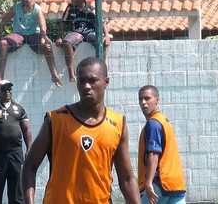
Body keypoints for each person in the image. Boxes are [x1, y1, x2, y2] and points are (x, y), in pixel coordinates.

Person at [21, 57, 141, 204]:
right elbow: (29, 167)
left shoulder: (117, 124)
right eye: (82, 80)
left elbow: (127, 179)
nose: (86, 86)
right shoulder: (55, 120)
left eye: (92, 80)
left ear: (106, 82)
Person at [0, 0, 62, 88]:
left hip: (34, 34)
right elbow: (3, 22)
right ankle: (0, 75)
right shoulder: (16, 7)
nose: (24, 0)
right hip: (18, 34)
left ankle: (54, 74)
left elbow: (43, 26)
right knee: (3, 43)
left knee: (47, 44)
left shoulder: (37, 9)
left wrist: (42, 40)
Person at [0, 79, 32, 204]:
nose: (7, 91)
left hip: (16, 154)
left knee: (17, 191)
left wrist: (29, 148)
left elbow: (26, 129)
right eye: (4, 89)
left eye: (9, 89)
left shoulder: (19, 109)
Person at [138, 85, 186, 204]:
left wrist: (148, 183)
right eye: (140, 99)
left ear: (157, 100)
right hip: (176, 185)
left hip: (159, 184)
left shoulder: (153, 123)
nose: (143, 102)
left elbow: (154, 154)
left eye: (147, 98)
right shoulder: (164, 120)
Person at [55, 0, 111, 82]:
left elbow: (101, 22)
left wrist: (106, 35)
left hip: (90, 32)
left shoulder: (91, 9)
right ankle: (71, 74)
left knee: (102, 43)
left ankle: (102, 71)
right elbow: (63, 22)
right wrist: (59, 37)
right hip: (76, 33)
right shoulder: (70, 8)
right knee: (67, 42)